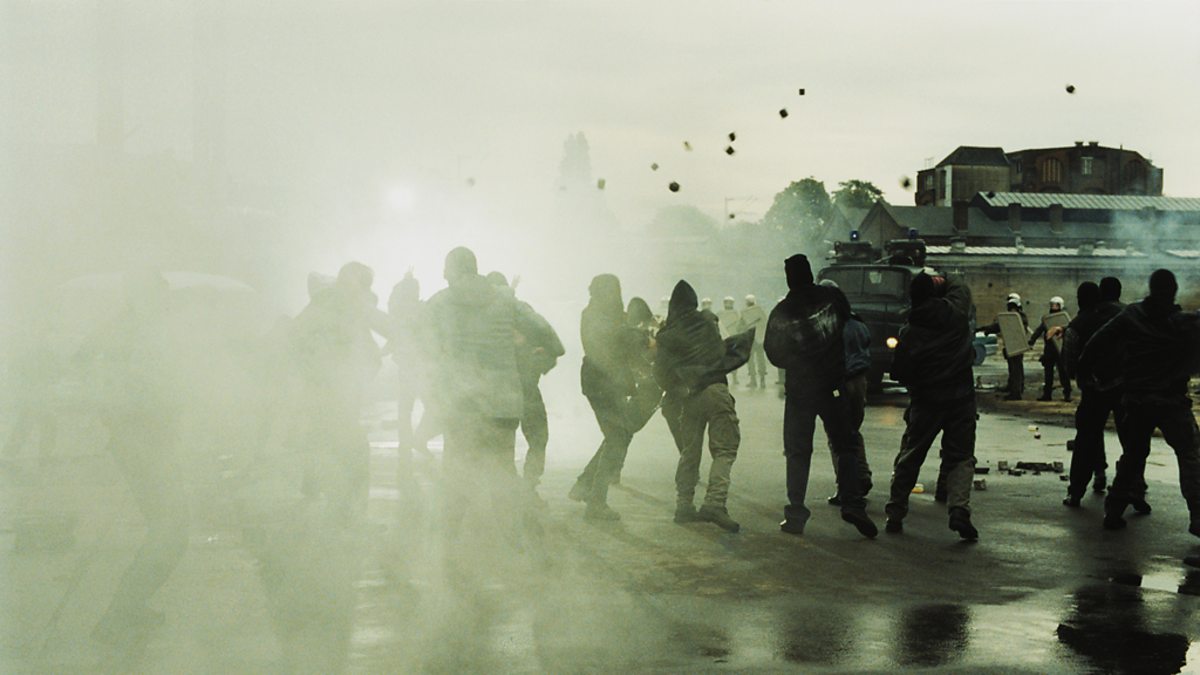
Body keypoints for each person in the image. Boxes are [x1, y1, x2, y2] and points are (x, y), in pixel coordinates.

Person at [426, 249, 554, 531]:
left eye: (446, 268)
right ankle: (513, 539)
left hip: (462, 405)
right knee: (502, 474)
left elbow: (417, 340)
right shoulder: (506, 300)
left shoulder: (440, 303)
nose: (443, 274)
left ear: (455, 270)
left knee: (456, 474)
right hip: (503, 404)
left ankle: (450, 539)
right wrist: (547, 355)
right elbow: (545, 331)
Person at [1079, 269, 1200, 536]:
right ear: (1174, 291)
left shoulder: (1132, 315)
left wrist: (1085, 374)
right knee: (1190, 455)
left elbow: (1096, 342)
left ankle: (1114, 510)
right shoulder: (1184, 322)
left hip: (1137, 400)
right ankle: (1197, 516)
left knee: (1133, 456)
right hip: (1171, 401)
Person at [765, 254, 877, 538]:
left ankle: (796, 515)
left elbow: (773, 354)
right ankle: (852, 503)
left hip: (800, 391)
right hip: (833, 387)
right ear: (810, 274)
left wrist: (798, 360)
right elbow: (847, 320)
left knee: (797, 451)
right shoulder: (832, 298)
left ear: (789, 278)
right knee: (845, 444)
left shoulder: (782, 311)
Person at [885, 271, 980, 540]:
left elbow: (900, 372)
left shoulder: (909, 331)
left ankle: (896, 511)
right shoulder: (957, 315)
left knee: (912, 453)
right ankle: (959, 509)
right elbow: (961, 288)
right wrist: (945, 277)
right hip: (961, 397)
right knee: (961, 456)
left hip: (926, 401)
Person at [291, 262, 386, 516]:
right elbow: (296, 337)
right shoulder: (329, 305)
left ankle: (338, 510)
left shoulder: (350, 308)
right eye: (361, 286)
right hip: (326, 393)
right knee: (341, 448)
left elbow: (373, 347)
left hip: (337, 394)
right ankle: (344, 513)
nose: (363, 291)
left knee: (332, 445)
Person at [655, 280, 750, 532]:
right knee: (725, 449)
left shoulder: (666, 335)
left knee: (690, 451)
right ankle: (715, 503)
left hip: (689, 398)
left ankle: (684, 505)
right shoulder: (708, 321)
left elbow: (661, 375)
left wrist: (680, 386)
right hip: (715, 391)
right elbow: (720, 351)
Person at [568, 274, 647, 520]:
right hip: (603, 384)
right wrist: (638, 334)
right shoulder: (596, 316)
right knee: (617, 438)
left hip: (606, 384)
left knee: (618, 435)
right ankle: (596, 501)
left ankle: (584, 485)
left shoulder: (605, 315)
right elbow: (611, 341)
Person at [485, 271, 565, 500]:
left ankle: (512, 489)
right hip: (523, 388)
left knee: (504, 444)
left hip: (501, 391)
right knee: (536, 438)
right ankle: (525, 487)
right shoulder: (520, 311)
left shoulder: (484, 317)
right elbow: (551, 342)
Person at [1059, 281, 1132, 507]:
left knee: (1087, 438)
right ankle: (1134, 488)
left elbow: (1070, 360)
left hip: (1093, 389)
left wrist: (1080, 378)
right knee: (1131, 440)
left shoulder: (1079, 323)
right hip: (1124, 387)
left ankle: (1077, 491)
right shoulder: (1129, 315)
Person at [817, 280, 873, 506]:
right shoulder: (857, 322)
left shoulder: (827, 325)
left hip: (838, 383)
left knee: (837, 436)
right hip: (860, 381)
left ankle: (846, 487)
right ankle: (862, 475)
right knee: (852, 431)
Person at [981, 293, 1028, 400]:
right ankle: (1014, 388)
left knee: (1016, 370)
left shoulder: (1019, 317)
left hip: (1017, 346)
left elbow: (1010, 328)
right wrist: (986, 329)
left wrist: (988, 329)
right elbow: (999, 326)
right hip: (1011, 345)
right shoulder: (1014, 317)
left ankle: (1016, 392)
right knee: (1014, 369)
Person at [1029, 296, 1072, 402]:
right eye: (1052, 304)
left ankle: (1067, 394)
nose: (1054, 306)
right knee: (1048, 374)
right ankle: (1047, 394)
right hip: (1049, 350)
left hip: (1061, 350)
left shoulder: (1063, 319)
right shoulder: (1047, 319)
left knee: (1063, 373)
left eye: (1056, 305)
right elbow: (1039, 330)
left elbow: (1069, 330)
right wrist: (1031, 341)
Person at [740, 295, 769, 389]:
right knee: (761, 359)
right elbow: (765, 323)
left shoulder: (744, 312)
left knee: (750, 360)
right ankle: (762, 380)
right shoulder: (760, 310)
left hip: (750, 339)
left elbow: (740, 326)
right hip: (760, 338)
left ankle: (753, 380)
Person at [716, 296, 742, 385]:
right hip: (723, 339)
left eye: (729, 302)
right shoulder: (720, 314)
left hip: (733, 338)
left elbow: (739, 326)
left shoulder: (736, 313)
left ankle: (735, 377)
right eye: (726, 302)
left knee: (733, 358)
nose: (728, 304)